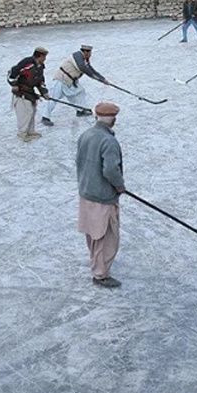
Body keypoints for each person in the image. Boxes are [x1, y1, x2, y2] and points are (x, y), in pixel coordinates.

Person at [76, 102, 125, 289]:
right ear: (112, 118)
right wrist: (119, 186)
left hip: (86, 191)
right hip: (102, 196)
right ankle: (100, 274)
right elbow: (111, 170)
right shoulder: (109, 141)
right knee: (106, 236)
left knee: (93, 233)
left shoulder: (86, 135)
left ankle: (97, 263)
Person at [41, 44, 109, 127]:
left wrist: (102, 79)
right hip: (61, 79)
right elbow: (84, 69)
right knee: (53, 98)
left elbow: (91, 70)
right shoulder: (77, 56)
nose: (90, 54)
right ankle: (45, 117)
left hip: (70, 81)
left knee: (80, 92)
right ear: (85, 52)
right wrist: (98, 79)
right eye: (90, 52)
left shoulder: (85, 59)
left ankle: (80, 110)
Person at [7, 47, 49, 142]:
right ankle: (22, 133)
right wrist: (14, 85)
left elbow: (40, 81)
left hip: (30, 92)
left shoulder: (40, 66)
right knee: (26, 112)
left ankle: (30, 131)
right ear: (40, 55)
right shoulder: (27, 63)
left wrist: (44, 92)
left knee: (32, 111)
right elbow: (12, 74)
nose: (45, 59)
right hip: (21, 92)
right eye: (44, 56)